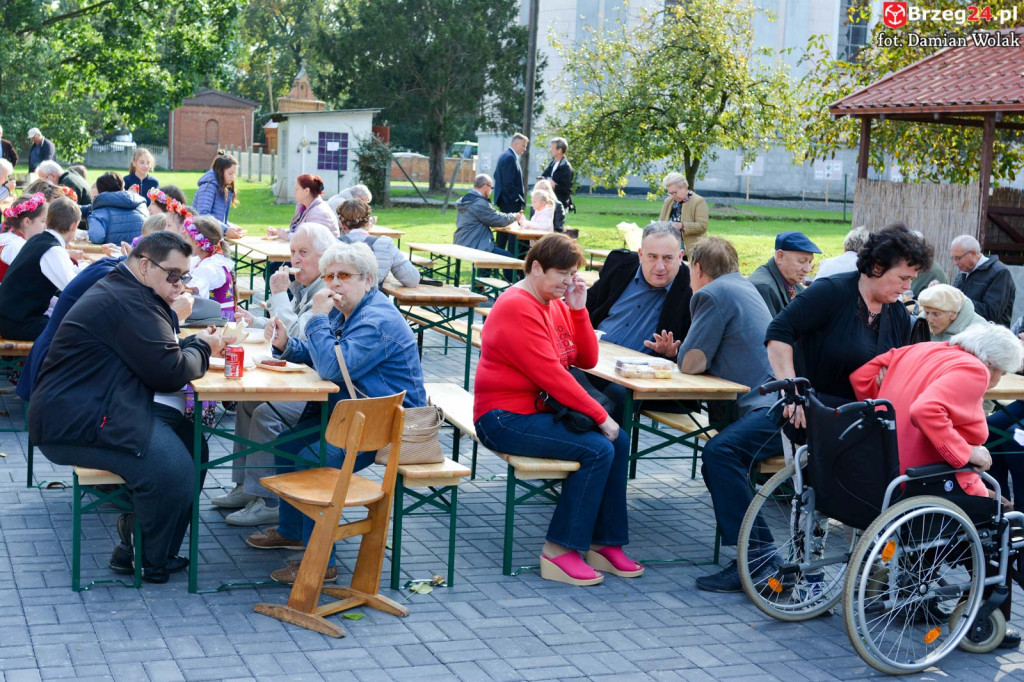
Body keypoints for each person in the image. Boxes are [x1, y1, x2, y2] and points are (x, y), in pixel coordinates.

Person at [29, 232, 224, 584]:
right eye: (174, 275)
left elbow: (161, 359)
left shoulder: (131, 291)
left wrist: (191, 343)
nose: (181, 284)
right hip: (74, 422)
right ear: (146, 265)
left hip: (97, 407)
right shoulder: (127, 300)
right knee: (174, 472)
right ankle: (144, 557)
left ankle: (150, 552)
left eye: (185, 276)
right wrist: (204, 346)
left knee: (195, 443)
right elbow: (170, 371)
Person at [245, 242, 428, 584]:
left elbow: (330, 366)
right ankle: (293, 532)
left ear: (369, 280)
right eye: (329, 276)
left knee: (313, 459)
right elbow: (326, 354)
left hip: (384, 428)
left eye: (344, 276)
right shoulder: (347, 311)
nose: (334, 283)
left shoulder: (376, 319)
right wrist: (288, 346)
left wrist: (315, 318)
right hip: (348, 417)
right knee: (285, 444)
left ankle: (322, 558)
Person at [474, 234, 640, 586]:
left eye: (572, 274)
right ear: (536, 268)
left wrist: (579, 309)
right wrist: (601, 416)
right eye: (562, 273)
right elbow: (552, 376)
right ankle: (559, 549)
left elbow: (586, 359)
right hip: (502, 418)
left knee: (619, 441)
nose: (568, 281)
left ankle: (603, 542)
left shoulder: (556, 302)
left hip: (538, 412)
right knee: (597, 448)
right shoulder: (518, 305)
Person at [851, 325, 1024, 647]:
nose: (996, 382)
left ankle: (915, 592)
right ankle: (983, 618)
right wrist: (965, 453)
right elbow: (926, 409)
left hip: (885, 471)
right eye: (1000, 373)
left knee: (958, 507)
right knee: (1001, 522)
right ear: (990, 363)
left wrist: (883, 419)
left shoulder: (922, 348)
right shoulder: (974, 369)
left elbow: (863, 375)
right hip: (925, 477)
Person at [678, 237, 784, 593]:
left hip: (771, 409)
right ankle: (757, 555)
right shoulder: (744, 285)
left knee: (720, 453)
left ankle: (758, 557)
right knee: (722, 453)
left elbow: (692, 363)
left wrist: (681, 352)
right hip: (783, 402)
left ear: (697, 269)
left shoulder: (710, 293)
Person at [216, 223, 335, 525]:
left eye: (303, 253)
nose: (295, 260)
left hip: (323, 392)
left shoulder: (326, 291)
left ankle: (268, 500)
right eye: (293, 251)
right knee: (248, 404)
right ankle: (247, 487)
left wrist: (278, 293)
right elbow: (283, 329)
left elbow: (298, 333)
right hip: (304, 377)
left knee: (267, 412)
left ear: (324, 257)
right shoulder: (306, 285)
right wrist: (255, 320)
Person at [766, 224, 929, 412]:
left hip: (864, 422)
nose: (907, 287)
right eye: (902, 278)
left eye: (912, 279)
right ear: (877, 267)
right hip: (815, 416)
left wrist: (890, 381)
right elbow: (779, 331)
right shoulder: (831, 291)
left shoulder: (898, 313)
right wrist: (790, 391)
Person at [585, 222, 692, 419]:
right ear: (641, 255)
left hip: (635, 378)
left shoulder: (692, 290)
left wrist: (672, 353)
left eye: (668, 258)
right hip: (592, 359)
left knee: (615, 396)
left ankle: (604, 446)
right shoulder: (620, 266)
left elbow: (694, 352)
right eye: (652, 257)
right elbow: (587, 305)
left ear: (680, 256)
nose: (660, 267)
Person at [0, 197, 81, 340]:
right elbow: (74, 289)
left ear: (48, 221)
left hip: (11, 317)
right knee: (81, 331)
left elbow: (71, 274)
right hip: (18, 323)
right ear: (74, 226)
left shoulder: (37, 240)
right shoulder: (52, 250)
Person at [337, 199, 420, 287]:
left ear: (342, 224)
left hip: (340, 299)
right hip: (373, 299)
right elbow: (412, 279)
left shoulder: (333, 245)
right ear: (368, 222)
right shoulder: (385, 245)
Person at [453, 174, 519, 281]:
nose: (491, 191)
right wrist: (514, 216)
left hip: (462, 241)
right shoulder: (479, 203)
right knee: (509, 258)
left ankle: (481, 284)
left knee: (491, 250)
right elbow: (498, 219)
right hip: (474, 244)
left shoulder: (466, 199)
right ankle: (513, 287)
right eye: (491, 188)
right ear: (485, 187)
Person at [749, 231, 821, 318]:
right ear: (780, 257)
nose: (808, 269)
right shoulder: (764, 288)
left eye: (810, 262)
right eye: (802, 261)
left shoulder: (792, 283)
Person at [951, 234, 1015, 326]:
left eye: (958, 258)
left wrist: (958, 300)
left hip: (989, 337)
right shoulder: (964, 271)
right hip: (965, 333)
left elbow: (991, 313)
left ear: (972, 253)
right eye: (952, 258)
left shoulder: (999, 273)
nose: (955, 263)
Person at [183, 216, 234, 320]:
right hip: (210, 316)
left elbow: (190, 290)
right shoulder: (203, 260)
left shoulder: (210, 267)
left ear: (197, 243)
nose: (184, 242)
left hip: (217, 320)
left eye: (186, 239)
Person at [267, 174, 339, 239]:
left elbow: (312, 239)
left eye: (297, 189)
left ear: (306, 191)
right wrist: (280, 233)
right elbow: (299, 231)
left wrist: (287, 236)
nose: (294, 192)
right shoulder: (304, 208)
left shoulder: (320, 212)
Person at [192, 150, 245, 239]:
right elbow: (203, 215)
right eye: (230, 173)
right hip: (202, 239)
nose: (233, 177)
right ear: (220, 171)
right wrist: (225, 230)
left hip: (213, 237)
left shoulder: (224, 189)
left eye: (234, 174)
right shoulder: (208, 188)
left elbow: (219, 218)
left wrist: (230, 227)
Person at [87, 172, 148, 245]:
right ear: (122, 186)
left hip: (113, 253)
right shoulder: (141, 204)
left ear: (99, 191)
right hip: (140, 253)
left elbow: (97, 237)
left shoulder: (99, 212)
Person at [0, 193, 48, 283]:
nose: (45, 226)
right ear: (27, 222)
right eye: (43, 221)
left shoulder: (10, 238)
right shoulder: (17, 246)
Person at [493, 133, 528, 252]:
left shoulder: (504, 155)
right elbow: (508, 183)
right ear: (516, 144)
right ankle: (511, 264)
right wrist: (516, 199)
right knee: (511, 234)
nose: (525, 149)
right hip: (510, 203)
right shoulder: (510, 157)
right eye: (523, 146)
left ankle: (499, 260)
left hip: (505, 201)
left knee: (502, 234)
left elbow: (497, 176)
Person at [658, 172, 709, 256]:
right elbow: (661, 221)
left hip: (692, 250)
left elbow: (702, 226)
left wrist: (681, 226)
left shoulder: (698, 201)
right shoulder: (668, 201)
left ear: (684, 187)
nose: (673, 196)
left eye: (674, 192)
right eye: (670, 193)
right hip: (669, 249)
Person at [917, 284, 989, 342]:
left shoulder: (980, 332)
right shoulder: (921, 323)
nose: (929, 320)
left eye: (935, 314)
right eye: (926, 313)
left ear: (953, 314)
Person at [540, 137, 574, 213]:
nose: (550, 150)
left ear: (559, 150)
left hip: (559, 205)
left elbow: (566, 190)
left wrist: (554, 186)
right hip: (548, 202)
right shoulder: (552, 163)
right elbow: (544, 175)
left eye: (552, 148)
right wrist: (548, 179)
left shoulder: (567, 168)